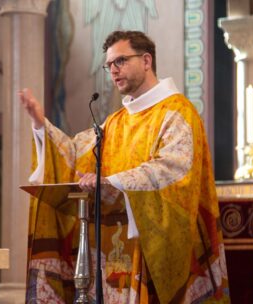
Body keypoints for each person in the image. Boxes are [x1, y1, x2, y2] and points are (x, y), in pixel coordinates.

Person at [20, 30, 230, 304]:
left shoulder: (178, 112)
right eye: (109, 65)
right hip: (112, 254)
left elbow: (172, 169)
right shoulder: (115, 122)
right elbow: (73, 154)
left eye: (120, 61)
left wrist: (114, 181)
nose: (113, 71)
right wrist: (40, 125)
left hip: (152, 252)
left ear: (146, 60)